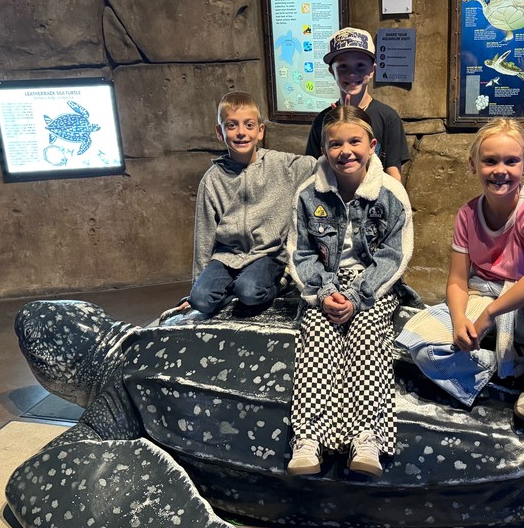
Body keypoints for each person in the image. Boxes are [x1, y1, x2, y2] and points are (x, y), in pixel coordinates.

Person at [397, 118, 524, 423]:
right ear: (474, 165)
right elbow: (457, 279)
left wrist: (489, 314)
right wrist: (458, 321)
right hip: (481, 293)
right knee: (421, 347)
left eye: (511, 161)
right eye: (490, 161)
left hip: (521, 302)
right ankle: (509, 364)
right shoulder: (467, 214)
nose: (500, 170)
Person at [286, 105, 414, 477]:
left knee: (368, 340)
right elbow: (301, 251)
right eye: (335, 143)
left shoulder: (391, 194)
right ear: (324, 150)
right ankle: (308, 439)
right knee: (317, 341)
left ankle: (367, 437)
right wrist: (324, 294)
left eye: (354, 141)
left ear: (372, 145)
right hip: (324, 284)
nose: (346, 151)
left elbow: (394, 255)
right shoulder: (308, 194)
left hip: (372, 285)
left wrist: (358, 296)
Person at [177, 91, 315, 319]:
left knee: (250, 292)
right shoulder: (212, 180)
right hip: (226, 257)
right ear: (219, 132)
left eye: (249, 125)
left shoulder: (282, 165)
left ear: (260, 131)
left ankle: (277, 282)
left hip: (267, 254)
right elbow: (204, 236)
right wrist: (196, 284)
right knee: (201, 299)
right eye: (231, 126)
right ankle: (231, 288)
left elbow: (318, 164)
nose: (241, 132)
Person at [305, 27, 409, 182]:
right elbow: (313, 170)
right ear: (331, 71)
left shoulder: (388, 117)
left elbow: (393, 173)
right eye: (343, 66)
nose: (352, 73)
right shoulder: (322, 120)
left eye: (360, 65)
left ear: (373, 69)